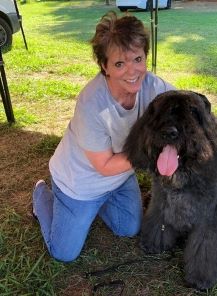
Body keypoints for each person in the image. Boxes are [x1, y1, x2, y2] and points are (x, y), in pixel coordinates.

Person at [32, 11, 175, 262]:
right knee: (63, 253)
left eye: (138, 59)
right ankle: (42, 194)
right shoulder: (91, 103)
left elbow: (181, 106)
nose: (132, 71)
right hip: (80, 184)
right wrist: (153, 150)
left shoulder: (153, 86)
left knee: (128, 228)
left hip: (118, 179)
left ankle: (97, 208)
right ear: (104, 66)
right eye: (120, 63)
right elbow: (105, 166)